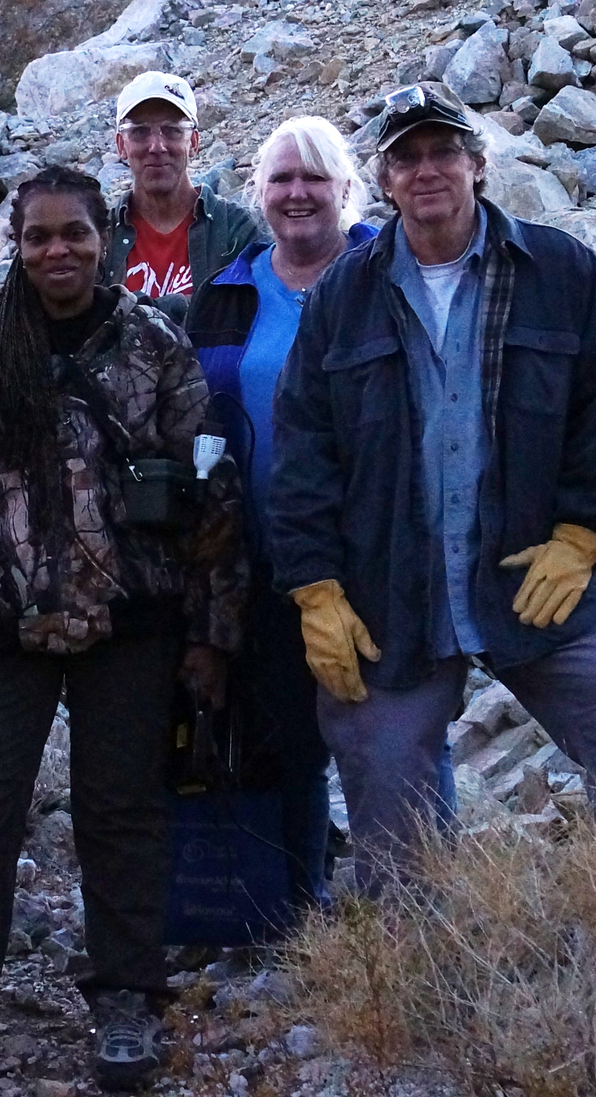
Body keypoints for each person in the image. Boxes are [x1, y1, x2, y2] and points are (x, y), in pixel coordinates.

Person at [0, 165, 245, 1092]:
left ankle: (127, 1004)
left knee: (121, 813)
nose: (57, 252)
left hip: (134, 619)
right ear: (15, 244)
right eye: (38, 236)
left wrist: (210, 627)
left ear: (100, 238)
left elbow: (211, 489)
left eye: (74, 233)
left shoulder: (154, 339)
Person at [267, 82, 596, 889]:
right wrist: (316, 588)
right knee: (396, 840)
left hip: (532, 575)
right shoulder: (342, 295)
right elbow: (304, 451)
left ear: (478, 163)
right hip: (390, 593)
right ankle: (425, 988)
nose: (426, 170)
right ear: (385, 179)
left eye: (442, 152)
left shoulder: (560, 270)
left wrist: (584, 536)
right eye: (406, 157)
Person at [185, 116, 380, 915]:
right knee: (285, 739)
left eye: (314, 177)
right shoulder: (229, 292)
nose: (297, 192)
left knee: (387, 738)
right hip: (261, 556)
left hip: (374, 553)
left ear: (346, 189)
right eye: (280, 178)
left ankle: (415, 913)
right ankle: (296, 910)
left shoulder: (387, 274)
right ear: (258, 193)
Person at [98, 71, 263, 322]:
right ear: (121, 145)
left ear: (194, 142)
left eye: (172, 130)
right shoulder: (101, 235)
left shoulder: (234, 229)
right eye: (140, 132)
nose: (156, 146)